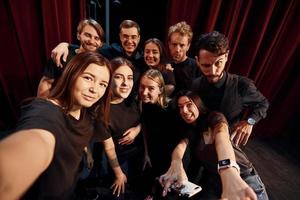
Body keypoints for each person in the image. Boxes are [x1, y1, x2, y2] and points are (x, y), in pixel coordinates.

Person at [0, 52, 112, 199]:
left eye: (102, 84)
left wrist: (87, 152)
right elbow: (38, 138)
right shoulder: (46, 112)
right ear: (70, 74)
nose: (95, 89)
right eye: (88, 78)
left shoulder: (87, 112)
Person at [159, 91, 268, 200]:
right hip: (215, 179)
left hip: (242, 176)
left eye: (189, 104)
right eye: (180, 107)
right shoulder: (190, 131)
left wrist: (229, 169)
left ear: (198, 104)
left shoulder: (213, 117)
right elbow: (180, 147)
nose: (184, 110)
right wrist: (176, 163)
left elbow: (222, 136)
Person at [191, 31, 269, 146]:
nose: (213, 71)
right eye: (206, 65)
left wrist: (249, 122)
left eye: (218, 63)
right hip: (197, 143)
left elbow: (263, 103)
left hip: (227, 145)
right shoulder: (194, 85)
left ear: (226, 56)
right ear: (197, 61)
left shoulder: (242, 85)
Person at [94, 57, 144, 199]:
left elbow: (144, 121)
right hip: (118, 161)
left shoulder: (133, 98)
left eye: (129, 78)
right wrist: (119, 173)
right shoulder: (102, 110)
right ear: (109, 79)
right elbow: (109, 147)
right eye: (118, 77)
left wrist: (137, 130)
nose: (125, 83)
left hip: (139, 156)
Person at [51, 19, 143, 83]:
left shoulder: (143, 59)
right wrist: (65, 45)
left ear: (138, 38)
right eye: (125, 36)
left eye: (133, 37)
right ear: (120, 36)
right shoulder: (109, 51)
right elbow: (88, 47)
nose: (130, 41)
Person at [139, 69, 181, 199]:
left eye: (150, 88)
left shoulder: (172, 108)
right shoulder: (143, 104)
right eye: (142, 87)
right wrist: (146, 153)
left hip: (169, 156)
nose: (144, 92)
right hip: (153, 152)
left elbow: (179, 138)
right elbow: (145, 128)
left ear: (161, 90)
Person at [37, 18, 104, 97]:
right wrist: (42, 106)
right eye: (88, 35)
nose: (92, 41)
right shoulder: (62, 54)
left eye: (96, 38)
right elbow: (47, 82)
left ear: (101, 43)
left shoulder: (101, 63)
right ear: (78, 35)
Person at [167, 21, 201, 95]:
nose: (177, 50)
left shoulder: (197, 66)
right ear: (169, 44)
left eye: (182, 45)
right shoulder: (164, 65)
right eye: (174, 44)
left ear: (188, 46)